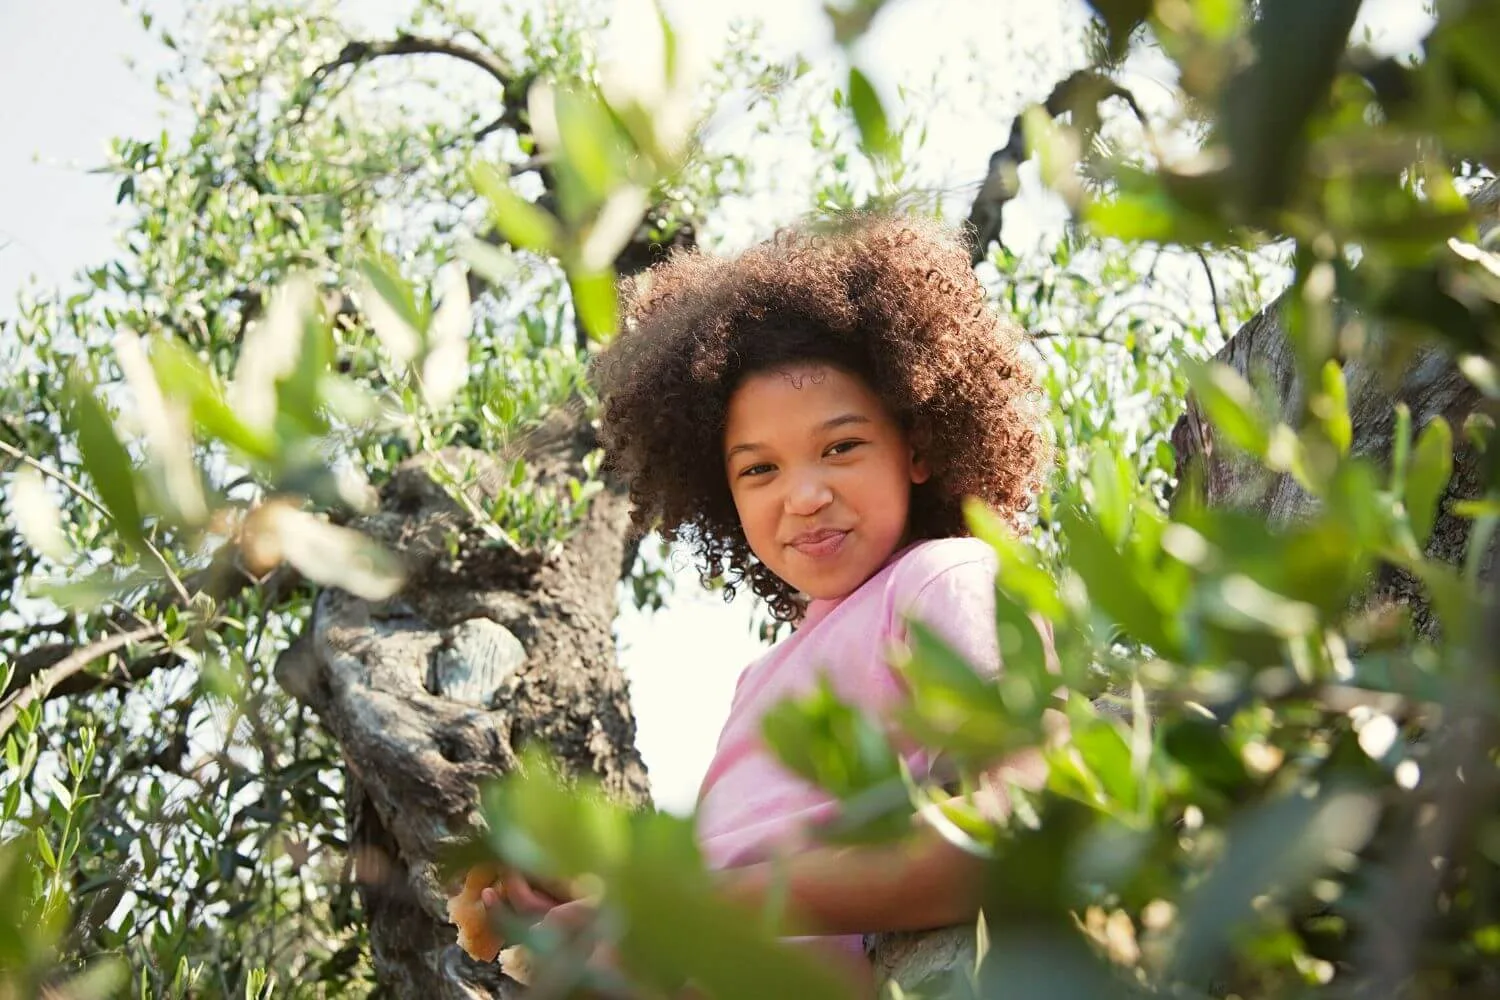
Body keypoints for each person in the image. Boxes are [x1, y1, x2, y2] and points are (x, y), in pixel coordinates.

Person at [452, 214, 1056, 995]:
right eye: (758, 469)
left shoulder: (947, 579)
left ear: (919, 444)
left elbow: (1017, 831)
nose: (804, 496)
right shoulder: (762, 677)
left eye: (841, 447)